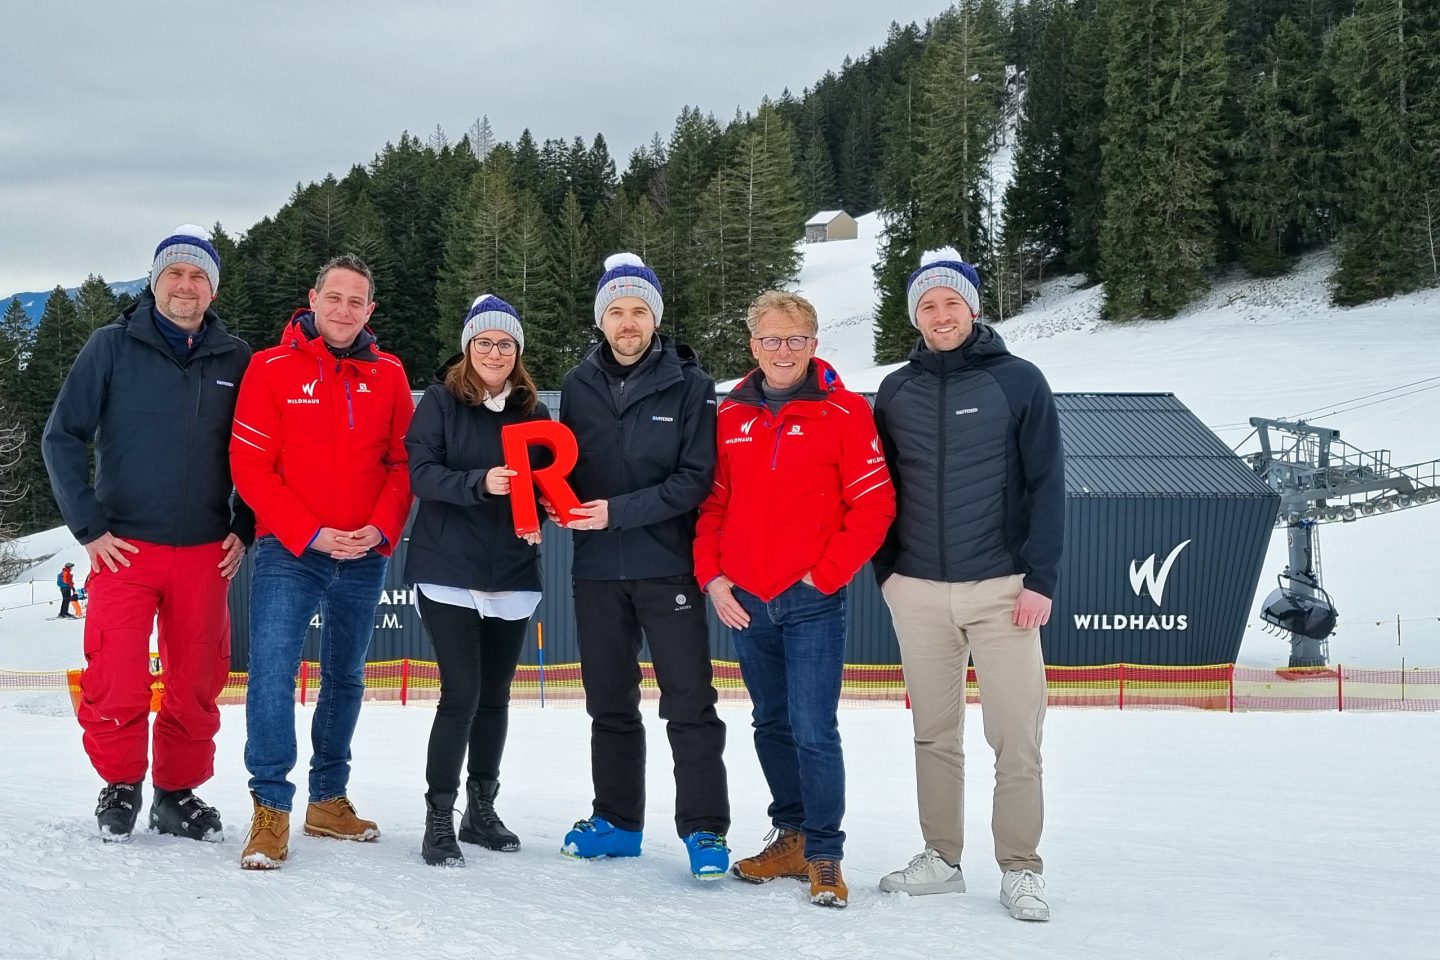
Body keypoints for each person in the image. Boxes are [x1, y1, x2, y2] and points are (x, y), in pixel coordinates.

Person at [871, 247, 1064, 921]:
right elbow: (878, 486)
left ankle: (1021, 868)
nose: (941, 314)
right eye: (927, 305)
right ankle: (941, 859)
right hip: (917, 590)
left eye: (951, 301)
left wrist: (1040, 578)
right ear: (915, 317)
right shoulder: (895, 391)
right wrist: (888, 572)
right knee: (934, 733)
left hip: (1003, 591)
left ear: (973, 308)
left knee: (1016, 737)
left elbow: (1047, 484)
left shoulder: (1020, 381)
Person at [42, 224, 252, 843]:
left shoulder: (236, 359)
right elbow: (61, 436)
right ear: (155, 282)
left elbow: (261, 449)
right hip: (124, 549)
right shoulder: (111, 346)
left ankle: (176, 795)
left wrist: (245, 524)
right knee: (116, 673)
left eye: (198, 276)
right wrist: (89, 527)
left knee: (197, 679)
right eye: (174, 274)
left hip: (205, 552)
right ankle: (121, 784)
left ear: (213, 290)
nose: (186, 285)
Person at [694, 290, 895, 909]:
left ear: (813, 344)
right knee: (771, 722)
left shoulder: (846, 412)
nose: (784, 350)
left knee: (813, 727)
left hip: (810, 600)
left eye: (796, 339)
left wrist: (824, 577)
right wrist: (714, 578)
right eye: (772, 339)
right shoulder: (730, 414)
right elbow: (713, 504)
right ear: (753, 346)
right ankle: (791, 837)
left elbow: (875, 505)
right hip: (745, 600)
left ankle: (825, 854)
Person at [229, 254, 414, 870]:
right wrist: (310, 533)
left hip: (362, 553)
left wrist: (379, 528)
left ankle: (328, 800)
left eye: (356, 301)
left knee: (346, 677)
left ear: (370, 309)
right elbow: (250, 467)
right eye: (333, 297)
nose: (343, 310)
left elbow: (403, 463)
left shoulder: (389, 373)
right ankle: (270, 808)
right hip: (291, 552)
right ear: (312, 299)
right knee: (272, 674)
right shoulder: (269, 368)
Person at [552, 252, 731, 881]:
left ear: (654, 318)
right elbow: (567, 469)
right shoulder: (577, 385)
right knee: (609, 703)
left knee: (689, 702)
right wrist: (553, 502)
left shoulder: (691, 384)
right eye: (616, 312)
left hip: (666, 567)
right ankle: (618, 823)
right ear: (601, 320)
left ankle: (704, 829)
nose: (627, 323)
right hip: (597, 571)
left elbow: (694, 480)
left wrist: (615, 513)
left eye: (638, 311)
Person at [404, 294, 550, 867]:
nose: (495, 352)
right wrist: (479, 483)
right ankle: (439, 816)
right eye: (485, 342)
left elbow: (547, 484)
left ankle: (480, 810)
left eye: (506, 343)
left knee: (495, 696)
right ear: (468, 347)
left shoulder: (534, 412)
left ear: (518, 352)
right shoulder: (440, 402)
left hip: (512, 571)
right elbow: (422, 475)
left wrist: (544, 512)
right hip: (448, 569)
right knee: (461, 693)